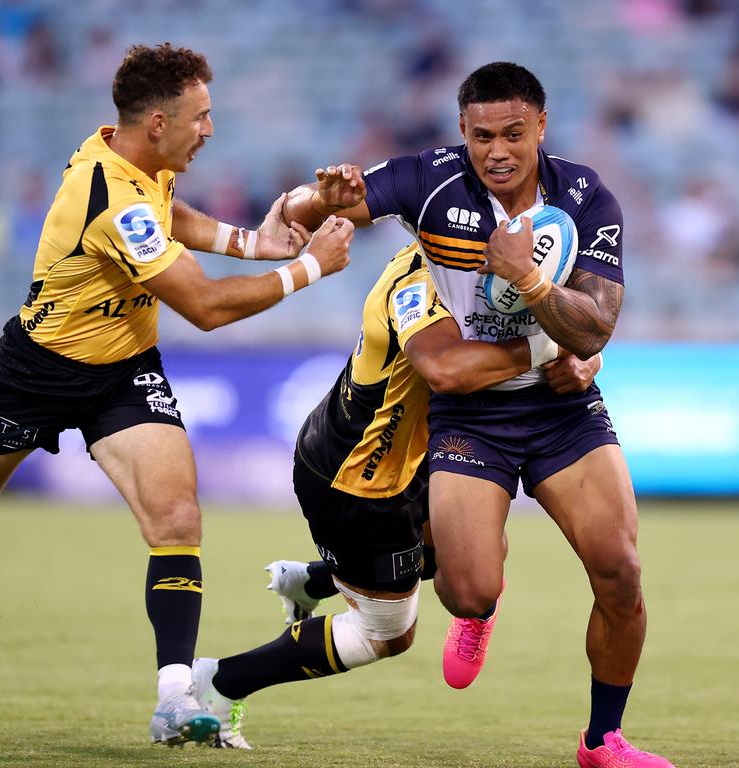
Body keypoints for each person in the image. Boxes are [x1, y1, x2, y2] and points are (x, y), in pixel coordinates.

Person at [0, 43, 354, 747]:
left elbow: (172, 213)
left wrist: (255, 244)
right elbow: (203, 307)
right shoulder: (110, 197)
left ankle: (173, 698)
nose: (211, 129)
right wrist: (308, 269)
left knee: (175, 517)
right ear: (160, 122)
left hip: (124, 370)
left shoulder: (141, 162)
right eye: (201, 116)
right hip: (37, 372)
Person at [281, 62, 674, 768]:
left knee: (620, 572)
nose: (498, 151)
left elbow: (596, 327)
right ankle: (482, 608)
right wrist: (318, 202)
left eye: (514, 135)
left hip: (563, 409)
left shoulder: (585, 195)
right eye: (483, 135)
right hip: (468, 417)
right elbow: (304, 216)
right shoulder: (427, 180)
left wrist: (525, 276)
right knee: (466, 592)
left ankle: (602, 740)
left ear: (541, 129)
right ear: (462, 131)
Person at [190, 241, 602, 748]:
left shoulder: (470, 259)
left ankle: (314, 581)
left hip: (411, 456)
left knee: (459, 546)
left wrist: (587, 355)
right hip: (359, 480)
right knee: (386, 635)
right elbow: (450, 370)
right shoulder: (421, 282)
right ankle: (221, 681)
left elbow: (567, 323)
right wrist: (555, 348)